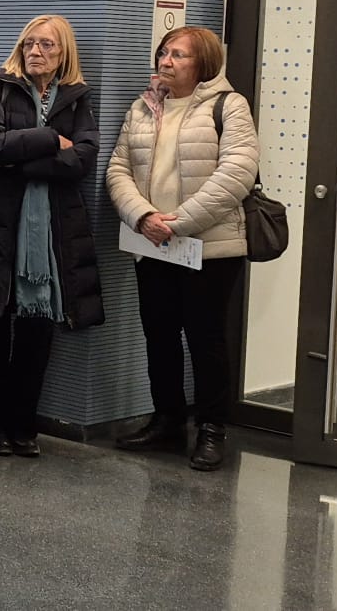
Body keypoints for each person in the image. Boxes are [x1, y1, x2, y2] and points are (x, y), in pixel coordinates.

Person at [0, 14, 102, 458]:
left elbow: (83, 160)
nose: (36, 52)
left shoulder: (78, 98)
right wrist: (50, 138)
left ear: (64, 52)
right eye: (29, 43)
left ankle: (21, 422)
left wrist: (19, 155)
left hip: (52, 232)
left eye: (47, 45)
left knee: (36, 332)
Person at [106, 26, 259, 471]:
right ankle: (167, 419)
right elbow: (118, 169)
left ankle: (212, 429)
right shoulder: (142, 107)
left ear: (203, 64)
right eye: (164, 52)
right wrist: (143, 218)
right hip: (152, 243)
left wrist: (179, 223)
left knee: (205, 339)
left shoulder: (229, 106)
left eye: (179, 55)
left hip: (207, 248)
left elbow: (237, 173)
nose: (166, 61)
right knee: (159, 335)